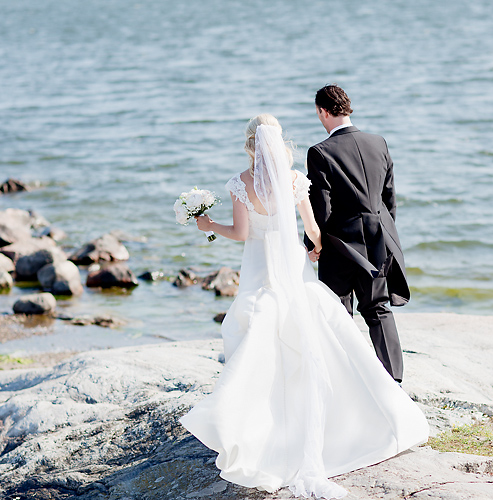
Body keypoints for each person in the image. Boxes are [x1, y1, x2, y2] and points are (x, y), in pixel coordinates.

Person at [179, 114, 428, 499]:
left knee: (255, 331)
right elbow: (313, 229)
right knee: (307, 333)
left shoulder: (241, 183)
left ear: (249, 143)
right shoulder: (294, 180)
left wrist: (208, 225)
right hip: (291, 267)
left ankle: (257, 422)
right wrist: (315, 248)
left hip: (259, 269)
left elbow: (242, 233)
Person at [305, 85, 409, 383]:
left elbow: (320, 208)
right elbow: (389, 198)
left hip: (341, 245)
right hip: (379, 238)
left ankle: (346, 379)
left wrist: (312, 244)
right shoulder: (379, 142)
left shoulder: (320, 152)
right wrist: (385, 234)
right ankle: (394, 380)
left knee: (338, 311)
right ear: (348, 109)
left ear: (323, 111)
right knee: (377, 308)